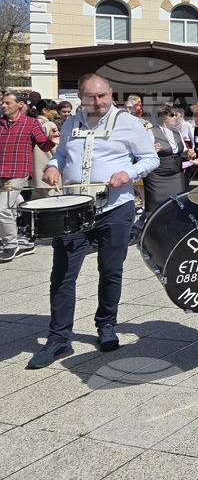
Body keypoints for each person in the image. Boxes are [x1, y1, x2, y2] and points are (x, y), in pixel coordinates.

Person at [29, 74, 158, 367]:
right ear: (80, 97)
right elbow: (62, 155)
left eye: (102, 96)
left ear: (111, 93)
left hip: (115, 208)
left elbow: (150, 158)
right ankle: (59, 338)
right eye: (91, 97)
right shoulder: (70, 123)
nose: (97, 102)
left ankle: (106, 325)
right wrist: (53, 167)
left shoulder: (129, 123)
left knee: (110, 270)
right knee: (62, 273)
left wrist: (128, 174)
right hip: (73, 209)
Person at [0, 91, 58, 262]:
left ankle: (11, 245)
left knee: (2, 208)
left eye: (8, 102)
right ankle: (22, 242)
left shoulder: (31, 123)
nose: (3, 105)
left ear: (20, 105)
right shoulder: (0, 123)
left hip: (17, 173)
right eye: (3, 102)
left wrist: (51, 139)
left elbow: (44, 146)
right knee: (8, 208)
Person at [143, 105, 188, 214]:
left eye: (176, 115)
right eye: (172, 115)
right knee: (154, 207)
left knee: (177, 205)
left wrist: (190, 154)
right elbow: (142, 153)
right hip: (156, 177)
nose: (176, 117)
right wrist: (152, 150)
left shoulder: (176, 132)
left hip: (176, 175)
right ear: (162, 116)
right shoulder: (151, 132)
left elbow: (184, 151)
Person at [31, 99, 61, 200]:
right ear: (45, 110)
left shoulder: (32, 123)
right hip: (48, 166)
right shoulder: (49, 125)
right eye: (53, 110)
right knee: (55, 199)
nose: (55, 113)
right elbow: (56, 148)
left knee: (39, 201)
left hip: (35, 169)